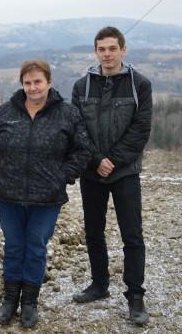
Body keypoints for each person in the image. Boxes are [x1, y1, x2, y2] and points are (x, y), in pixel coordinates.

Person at [0, 59, 91, 328]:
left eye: (38, 81)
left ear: (49, 82)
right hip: (8, 195)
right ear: (22, 85)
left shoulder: (67, 113)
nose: (33, 87)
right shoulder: (6, 112)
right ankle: (9, 301)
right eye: (27, 83)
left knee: (36, 248)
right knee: (14, 247)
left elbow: (83, 150)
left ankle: (29, 303)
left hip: (47, 198)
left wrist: (62, 176)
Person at [71, 26, 152, 325]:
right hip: (92, 173)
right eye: (101, 49)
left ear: (123, 50)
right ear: (95, 52)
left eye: (112, 49)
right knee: (94, 232)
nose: (107, 54)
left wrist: (112, 161)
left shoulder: (139, 85)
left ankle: (135, 296)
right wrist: (95, 160)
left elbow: (141, 129)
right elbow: (76, 128)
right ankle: (99, 284)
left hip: (125, 173)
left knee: (132, 236)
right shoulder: (83, 87)